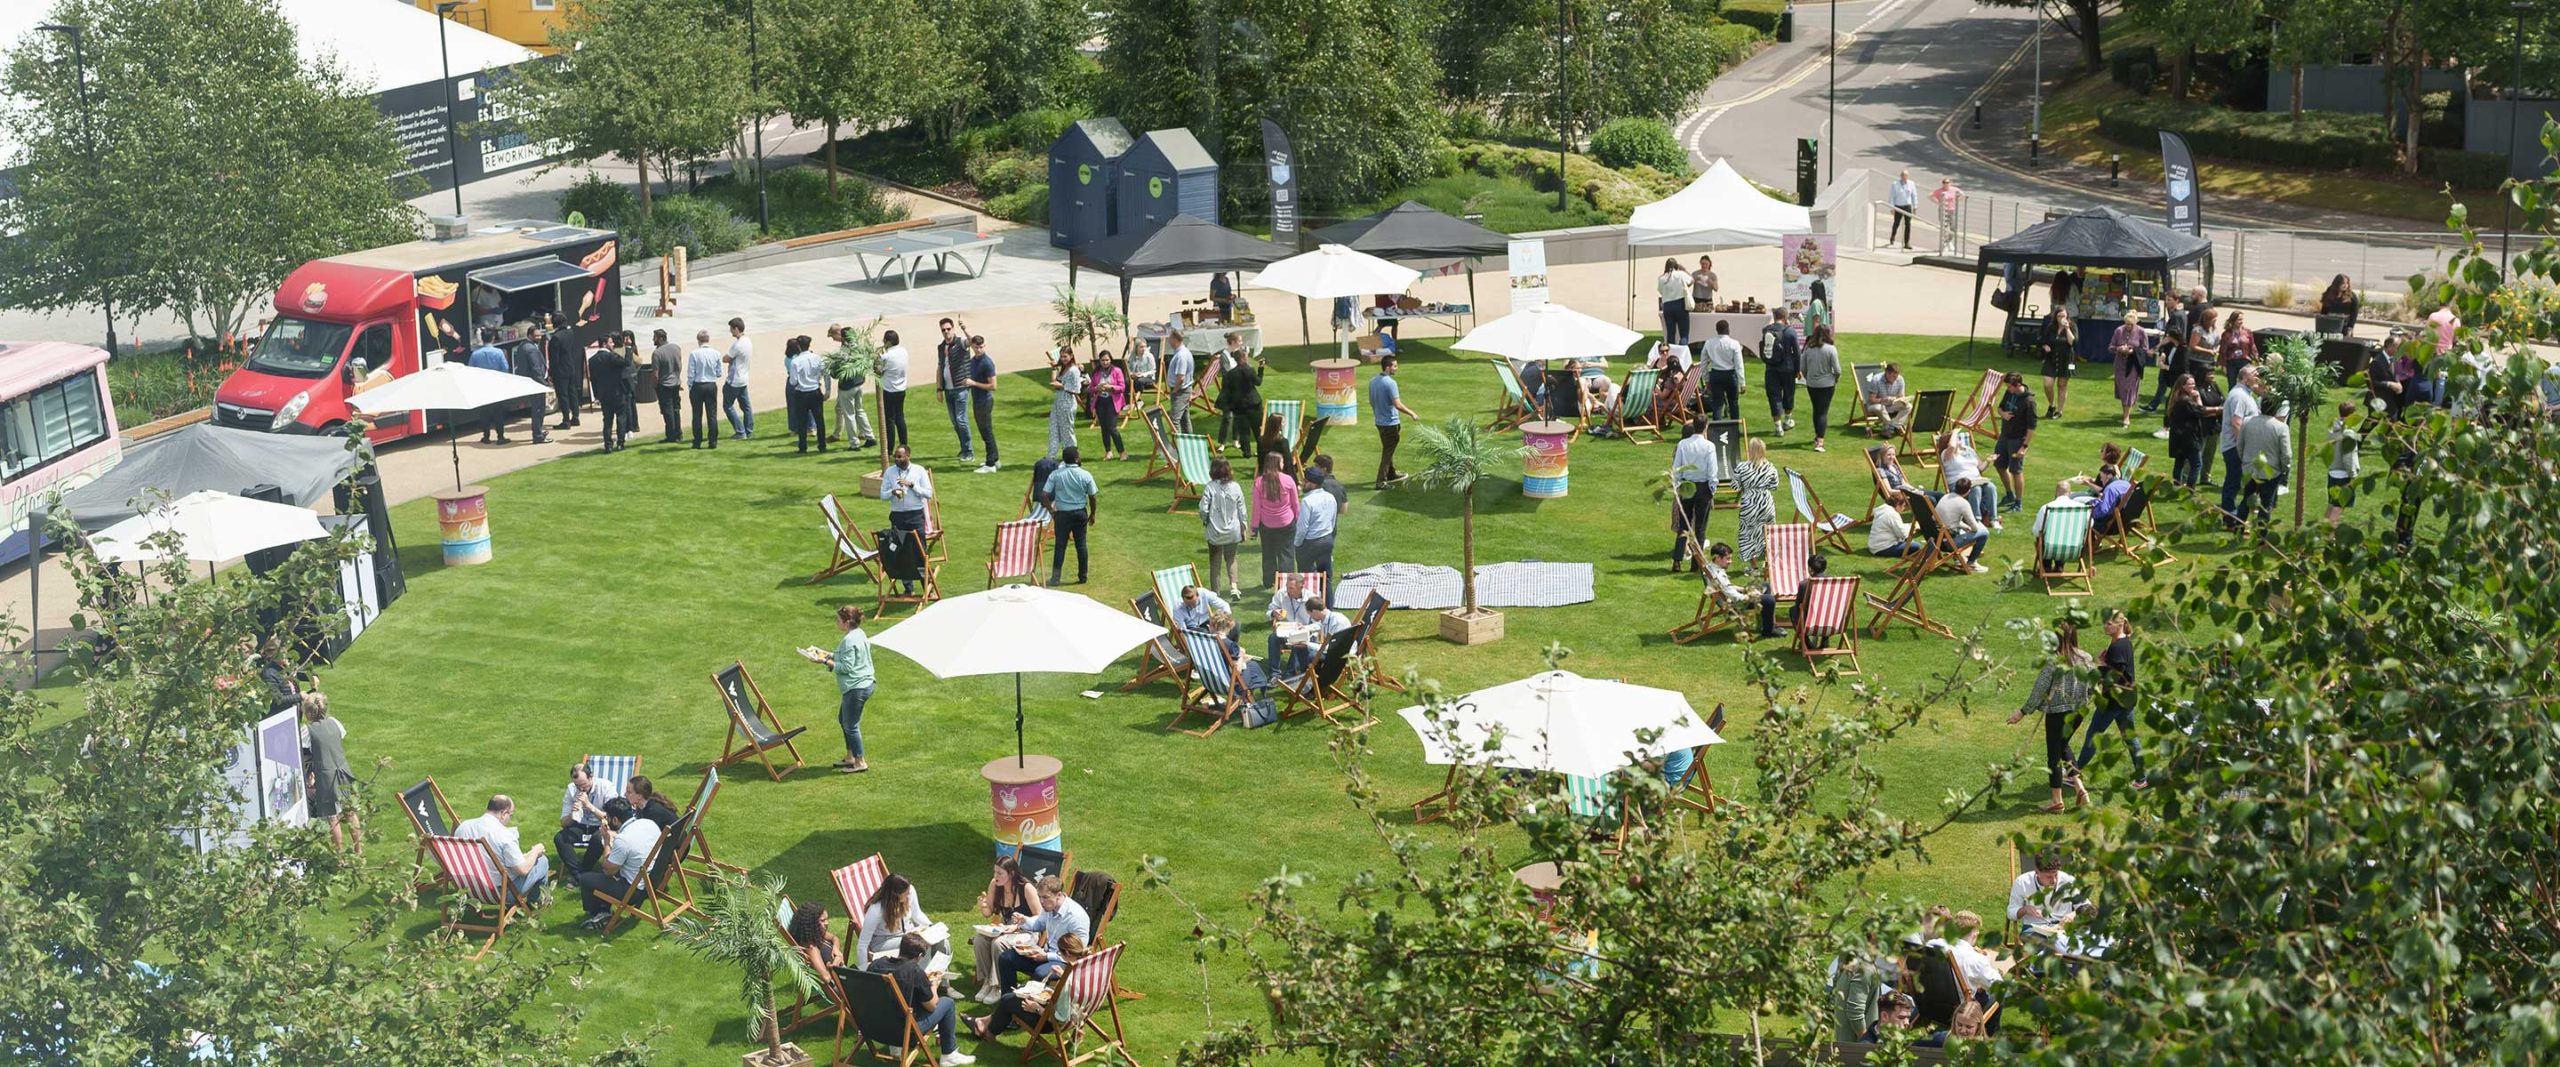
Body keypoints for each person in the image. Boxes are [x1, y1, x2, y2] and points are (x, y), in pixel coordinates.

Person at [2007, 622, 2096, 813]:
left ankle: (2057, 801)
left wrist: (2022, 712)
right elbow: (2092, 687)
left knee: (2054, 756)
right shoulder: (2086, 658)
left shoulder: (2053, 662)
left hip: (2057, 714)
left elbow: (2039, 690)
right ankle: (2081, 790)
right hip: (2079, 713)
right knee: (2063, 746)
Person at [867, 933, 974, 1064]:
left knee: (898, 1004)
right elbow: (932, 1005)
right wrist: (934, 986)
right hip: (903, 1033)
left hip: (873, 1027)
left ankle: (895, 1049)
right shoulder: (914, 971)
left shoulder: (876, 965)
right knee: (947, 1003)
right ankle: (949, 1054)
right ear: (919, 956)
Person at [2077, 609, 2145, 789]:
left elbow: (2112, 677)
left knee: (2093, 736)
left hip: (2113, 701)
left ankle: (2073, 774)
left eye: (2109, 623)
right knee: (2130, 738)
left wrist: (2097, 670)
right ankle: (2142, 779)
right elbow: (2119, 670)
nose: (2105, 626)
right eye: (2105, 623)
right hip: (2128, 698)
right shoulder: (2124, 642)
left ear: (2120, 624)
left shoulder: (2117, 646)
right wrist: (2105, 663)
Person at [991, 875, 1088, 990]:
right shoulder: (1049, 907)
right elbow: (1038, 924)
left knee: (1040, 973)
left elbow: (1077, 953)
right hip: (1044, 953)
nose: (1041, 902)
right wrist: (1024, 921)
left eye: (1045, 897)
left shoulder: (1076, 917)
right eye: (1040, 897)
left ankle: (1031, 1005)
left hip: (1064, 961)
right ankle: (1007, 999)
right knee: (1006, 958)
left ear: (1059, 895)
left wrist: (1047, 956)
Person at [576, 797, 661, 929]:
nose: (606, 820)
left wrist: (606, 842)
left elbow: (608, 870)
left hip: (633, 891)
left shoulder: (624, 839)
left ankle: (598, 913)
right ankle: (604, 909)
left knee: (586, 879)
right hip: (652, 881)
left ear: (615, 820)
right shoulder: (648, 823)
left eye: (608, 817)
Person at [809, 605, 874, 774]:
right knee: (843, 719)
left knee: (850, 724)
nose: (836, 622)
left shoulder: (849, 640)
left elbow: (846, 667)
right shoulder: (859, 633)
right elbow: (846, 656)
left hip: (856, 687)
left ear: (846, 623)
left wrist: (823, 661)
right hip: (864, 683)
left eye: (838, 620)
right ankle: (850, 756)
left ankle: (860, 762)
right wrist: (826, 654)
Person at [457, 794, 550, 906]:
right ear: (503, 813)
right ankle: (535, 902)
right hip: (502, 894)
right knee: (542, 861)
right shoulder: (504, 835)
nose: (510, 818)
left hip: (470, 890)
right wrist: (535, 852)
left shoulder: (463, 827)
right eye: (511, 815)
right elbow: (522, 870)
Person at [970, 857, 1039, 1002]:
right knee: (979, 940)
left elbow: (1040, 917)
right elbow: (988, 913)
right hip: (1005, 929)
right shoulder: (995, 885)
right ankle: (987, 982)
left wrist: (1017, 926)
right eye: (995, 872)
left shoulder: (1026, 888)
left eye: (1000, 873)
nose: (996, 876)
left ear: (1012, 873)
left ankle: (999, 985)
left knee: (998, 943)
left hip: (1028, 932)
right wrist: (982, 905)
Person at [300, 693, 360, 852]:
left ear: (308, 712)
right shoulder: (335, 723)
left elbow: (301, 749)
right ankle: (358, 850)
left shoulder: (307, 731)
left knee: (332, 816)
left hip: (326, 774)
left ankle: (338, 856)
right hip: (343, 770)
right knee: (350, 811)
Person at [1045, 447, 1099, 585]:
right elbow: (1092, 497)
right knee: (1081, 545)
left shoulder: (1056, 475)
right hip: (1080, 513)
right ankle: (1083, 577)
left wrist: (1052, 512)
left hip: (1062, 515)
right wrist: (1092, 514)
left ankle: (1055, 578)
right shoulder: (1085, 475)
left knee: (1060, 546)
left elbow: (1044, 495)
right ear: (1076, 459)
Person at [1671, 417, 1720, 567]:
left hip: (1687, 486)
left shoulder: (1683, 444)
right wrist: (1713, 488)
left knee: (1683, 525)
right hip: (1703, 486)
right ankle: (1695, 563)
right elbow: (1712, 470)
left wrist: (1678, 484)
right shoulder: (1709, 446)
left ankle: (1677, 560)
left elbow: (1677, 467)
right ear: (1705, 427)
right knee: (1700, 527)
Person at [552, 760, 616, 874]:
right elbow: (563, 823)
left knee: (598, 839)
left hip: (600, 825)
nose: (581, 789)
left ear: (591, 777)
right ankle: (579, 874)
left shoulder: (606, 787)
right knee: (560, 838)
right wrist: (572, 814)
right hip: (580, 824)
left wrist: (589, 806)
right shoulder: (571, 789)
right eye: (577, 785)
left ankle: (581, 872)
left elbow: (612, 818)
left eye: (584, 785)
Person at [856, 872, 935, 962]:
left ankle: (940, 974)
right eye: (906, 893)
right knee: (919, 945)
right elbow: (862, 944)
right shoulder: (876, 911)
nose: (909, 895)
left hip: (908, 933)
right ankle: (922, 974)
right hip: (883, 941)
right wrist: (864, 970)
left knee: (939, 941)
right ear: (895, 895)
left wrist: (931, 926)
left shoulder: (910, 890)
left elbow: (917, 914)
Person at [2218, 364, 2262, 524]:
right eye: (2255, 374)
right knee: (2233, 482)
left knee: (2238, 482)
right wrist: (2242, 448)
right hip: (2234, 447)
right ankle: (2230, 518)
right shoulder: (2239, 395)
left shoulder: (2246, 394)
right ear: (2245, 377)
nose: (2258, 376)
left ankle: (2234, 516)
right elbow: (2236, 423)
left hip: (2240, 447)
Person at [2237, 401, 2291, 526]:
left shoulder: (2246, 422)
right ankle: (2261, 537)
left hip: (2249, 469)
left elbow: (2240, 445)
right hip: (2271, 471)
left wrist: (2244, 461)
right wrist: (2284, 468)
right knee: (2266, 504)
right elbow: (2286, 454)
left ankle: (2238, 528)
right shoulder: (2281, 427)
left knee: (2246, 499)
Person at [1251, 452, 1300, 587]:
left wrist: (1254, 527)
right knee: (1287, 553)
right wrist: (1298, 519)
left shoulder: (1259, 482)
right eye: (1282, 462)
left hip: (1267, 524)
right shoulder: (1288, 480)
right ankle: (1288, 583)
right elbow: (1295, 504)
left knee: (1268, 553)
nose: (1283, 464)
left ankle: (1268, 581)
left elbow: (1256, 508)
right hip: (1286, 522)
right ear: (1277, 464)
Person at [1201, 457, 1247, 598]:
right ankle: (1234, 587)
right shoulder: (1236, 486)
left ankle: (1216, 593)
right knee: (1231, 559)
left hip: (1215, 532)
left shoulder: (1210, 487)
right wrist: (1243, 527)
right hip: (1233, 531)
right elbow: (1242, 510)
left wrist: (1206, 520)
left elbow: (1203, 509)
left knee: (1215, 562)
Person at [826, 324, 877, 450]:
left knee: (849, 415)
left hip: (847, 387)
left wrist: (833, 372)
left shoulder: (842, 353)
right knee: (860, 411)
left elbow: (835, 373)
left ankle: (854, 443)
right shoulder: (859, 348)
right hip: (859, 383)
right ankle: (870, 436)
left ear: (843, 338)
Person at [1371, 354, 1418, 488]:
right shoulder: (1391, 383)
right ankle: (1380, 481)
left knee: (1388, 449)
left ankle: (1391, 473)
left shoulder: (1373, 381)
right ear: (1387, 367)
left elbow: (1372, 401)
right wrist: (1411, 413)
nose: (1396, 369)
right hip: (1390, 423)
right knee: (1387, 452)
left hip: (1379, 422)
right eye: (1395, 366)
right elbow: (1397, 404)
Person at [1993, 373, 2037, 514]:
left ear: (2018, 385)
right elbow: (1999, 408)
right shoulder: (2009, 392)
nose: (2007, 389)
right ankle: (2009, 495)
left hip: (2017, 440)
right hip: (2004, 436)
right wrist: (2003, 414)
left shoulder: (2029, 401)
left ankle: (2018, 503)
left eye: (2009, 386)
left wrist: (2024, 447)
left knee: (2016, 471)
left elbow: (2032, 427)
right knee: (1999, 465)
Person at [1731, 438, 1779, 563]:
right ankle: (1768, 564)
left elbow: (1735, 486)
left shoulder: (1742, 467)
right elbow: (1774, 486)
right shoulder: (1770, 467)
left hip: (1750, 504)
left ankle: (1753, 566)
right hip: (1766, 502)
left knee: (1749, 534)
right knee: (1768, 533)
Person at [1218, 337, 1265, 459]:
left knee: (1244, 431)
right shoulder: (1249, 370)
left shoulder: (1230, 374)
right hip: (1253, 403)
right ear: (1243, 358)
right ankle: (1261, 451)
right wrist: (1261, 369)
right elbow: (1258, 382)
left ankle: (1247, 452)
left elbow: (1226, 389)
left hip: (1239, 405)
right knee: (1258, 429)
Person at [1936, 431, 1997, 526]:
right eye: (1956, 439)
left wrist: (1988, 461)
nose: (1959, 440)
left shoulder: (1969, 450)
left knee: (1991, 487)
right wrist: (1954, 432)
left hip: (1977, 480)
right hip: (1960, 484)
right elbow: (1952, 446)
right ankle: (1976, 519)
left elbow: (1980, 468)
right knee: (1975, 489)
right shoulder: (1946, 454)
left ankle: (1993, 518)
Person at [2142, 294, 2187, 415]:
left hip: (2173, 352)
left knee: (2169, 381)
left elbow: (2170, 336)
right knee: (2165, 381)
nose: (2166, 302)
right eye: (2166, 300)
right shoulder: (2180, 314)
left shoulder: (2176, 316)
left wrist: (2156, 348)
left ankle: (2163, 406)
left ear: (2177, 300)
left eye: (2169, 300)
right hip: (2174, 350)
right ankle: (2155, 405)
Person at [2007, 854, 2079, 931]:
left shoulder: (2068, 880)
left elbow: (2087, 907)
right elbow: (2011, 913)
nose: (2054, 880)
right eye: (2049, 877)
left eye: (2056, 875)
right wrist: (2025, 909)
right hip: (2034, 927)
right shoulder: (2022, 882)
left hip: (2062, 927)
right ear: (2037, 872)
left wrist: (2073, 914)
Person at [783, 335, 829, 454]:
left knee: (802, 421)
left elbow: (793, 381)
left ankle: (803, 447)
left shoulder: (795, 361)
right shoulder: (817, 358)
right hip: (815, 391)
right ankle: (822, 445)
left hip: (802, 393)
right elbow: (826, 374)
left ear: (798, 346)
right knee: (819, 420)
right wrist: (827, 390)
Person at [1933, 479, 1992, 572]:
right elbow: (1975, 528)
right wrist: (1970, 527)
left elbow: (1942, 519)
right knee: (1984, 533)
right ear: (1968, 491)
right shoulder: (1963, 503)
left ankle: (1957, 559)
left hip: (1935, 539)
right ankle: (1971, 563)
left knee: (1962, 529)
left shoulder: (1945, 497)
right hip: (1948, 543)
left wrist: (1964, 526)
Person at [508, 326, 552, 444]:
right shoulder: (531, 349)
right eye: (536, 335)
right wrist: (543, 384)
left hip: (529, 382)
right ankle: (538, 435)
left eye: (539, 335)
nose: (539, 337)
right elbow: (536, 369)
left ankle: (538, 432)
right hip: (536, 383)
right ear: (530, 335)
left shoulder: (522, 346)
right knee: (538, 410)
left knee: (536, 409)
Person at [1292, 474, 1338, 587]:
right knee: (1326, 579)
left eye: (1305, 481)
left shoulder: (1307, 501)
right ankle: (1328, 604)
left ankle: (1309, 602)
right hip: (1327, 540)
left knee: (1306, 579)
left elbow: (1302, 528)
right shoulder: (1330, 497)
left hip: (1310, 543)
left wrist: (1297, 544)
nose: (1302, 483)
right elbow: (1332, 520)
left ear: (1313, 484)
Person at [2166, 374, 2213, 487]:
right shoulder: (2186, 401)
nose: (2193, 386)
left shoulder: (2176, 398)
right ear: (2182, 386)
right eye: (2190, 384)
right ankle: (2190, 489)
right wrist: (2198, 398)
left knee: (2179, 463)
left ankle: (2176, 487)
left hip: (2178, 437)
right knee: (2196, 464)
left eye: (2193, 384)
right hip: (2188, 438)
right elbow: (2200, 411)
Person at [1801, 324, 1841, 452]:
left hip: (1812, 384)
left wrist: (1808, 378)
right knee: (1823, 412)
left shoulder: (1808, 349)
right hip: (1827, 384)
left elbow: (1802, 368)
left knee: (1816, 410)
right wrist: (1835, 378)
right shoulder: (1831, 349)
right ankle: (1820, 441)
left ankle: (1817, 435)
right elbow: (1837, 369)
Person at [584, 333, 628, 450]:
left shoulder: (592, 360)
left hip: (603, 394)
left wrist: (597, 395)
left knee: (607, 420)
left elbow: (593, 379)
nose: (613, 344)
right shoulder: (612, 357)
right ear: (604, 344)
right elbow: (625, 363)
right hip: (617, 392)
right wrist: (627, 348)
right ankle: (620, 443)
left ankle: (608, 445)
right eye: (610, 342)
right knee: (621, 418)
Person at [964, 334, 1000, 471]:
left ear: (984, 346)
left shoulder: (987, 363)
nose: (979, 349)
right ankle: (994, 458)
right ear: (972, 347)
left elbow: (993, 386)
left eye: (981, 347)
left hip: (984, 401)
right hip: (977, 400)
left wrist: (973, 383)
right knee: (985, 431)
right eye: (976, 347)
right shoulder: (974, 360)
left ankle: (990, 464)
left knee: (986, 431)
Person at [1762, 309, 1801, 433]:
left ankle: (1778, 427)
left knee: (1774, 396)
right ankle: (1787, 420)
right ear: (1785, 317)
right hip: (1788, 368)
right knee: (1789, 394)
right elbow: (1797, 352)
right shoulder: (1790, 331)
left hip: (1771, 368)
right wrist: (1798, 369)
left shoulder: (1766, 330)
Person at [2324, 400, 2363, 523]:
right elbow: (2348, 457)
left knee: (2331, 504)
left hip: (2332, 471)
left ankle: (2322, 530)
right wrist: (2353, 475)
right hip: (2343, 474)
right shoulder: (2349, 434)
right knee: (2338, 508)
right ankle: (2329, 536)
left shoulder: (2332, 428)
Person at [685, 329, 723, 449]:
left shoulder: (694, 354)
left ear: (698, 340)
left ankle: (697, 441)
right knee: (712, 414)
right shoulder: (716, 353)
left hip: (698, 384)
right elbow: (719, 373)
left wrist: (690, 386)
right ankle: (713, 441)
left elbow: (691, 373)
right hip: (711, 384)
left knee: (697, 414)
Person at [546, 316, 586, 429]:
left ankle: (566, 420)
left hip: (560, 369)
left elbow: (554, 358)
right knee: (572, 392)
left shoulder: (556, 338)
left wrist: (551, 372)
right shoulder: (570, 333)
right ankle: (575, 416)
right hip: (570, 366)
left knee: (563, 395)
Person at [2108, 310, 2146, 429]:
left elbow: (2145, 349)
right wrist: (2119, 349)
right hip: (2120, 364)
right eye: (2127, 324)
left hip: (2133, 365)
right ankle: (2125, 411)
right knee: (2122, 390)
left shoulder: (2141, 332)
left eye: (2131, 324)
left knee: (2129, 389)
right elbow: (2110, 347)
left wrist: (2133, 351)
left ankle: (2126, 417)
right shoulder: (2119, 331)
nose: (2128, 327)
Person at [2037, 307, 2076, 420]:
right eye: (2059, 316)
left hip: (2066, 359)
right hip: (2051, 359)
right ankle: (2052, 405)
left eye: (2064, 316)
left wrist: (2067, 328)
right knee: (2047, 384)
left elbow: (2073, 342)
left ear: (2067, 317)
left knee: (2062, 385)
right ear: (2056, 317)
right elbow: (2041, 339)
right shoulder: (2051, 327)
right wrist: (2045, 345)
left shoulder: (2072, 326)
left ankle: (2060, 411)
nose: (2062, 318)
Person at [1701, 319, 1744, 422]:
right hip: (1730, 375)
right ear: (1728, 329)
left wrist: (1706, 379)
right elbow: (1739, 364)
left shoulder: (1709, 343)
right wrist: (1742, 382)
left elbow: (1703, 363)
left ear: (1717, 330)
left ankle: (1717, 430)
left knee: (1717, 404)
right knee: (1733, 403)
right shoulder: (1734, 343)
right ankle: (1734, 428)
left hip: (1715, 374)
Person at [1089, 352, 1129, 462]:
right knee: (1104, 428)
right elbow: (1091, 388)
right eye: (1102, 360)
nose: (1105, 362)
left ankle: (1122, 452)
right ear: (1099, 361)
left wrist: (1111, 387)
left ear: (1110, 360)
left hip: (1113, 401)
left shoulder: (1117, 371)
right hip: (1100, 401)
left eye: (1107, 360)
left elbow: (1122, 387)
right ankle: (1108, 451)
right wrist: (1097, 388)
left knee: (1112, 427)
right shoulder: (1097, 372)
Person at [878, 329, 912, 457]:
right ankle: (904, 444)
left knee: (890, 420)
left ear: (888, 342)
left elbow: (879, 370)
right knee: (900, 417)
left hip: (889, 390)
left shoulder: (887, 356)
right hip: (901, 389)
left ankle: (889, 449)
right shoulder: (903, 351)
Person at [720, 317, 755, 440]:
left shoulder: (737, 345)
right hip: (744, 378)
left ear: (736, 329)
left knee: (728, 406)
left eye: (731, 329)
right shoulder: (748, 341)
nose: (730, 331)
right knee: (746, 406)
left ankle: (740, 431)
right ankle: (749, 430)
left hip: (734, 380)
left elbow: (726, 358)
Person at [650, 329, 684, 443]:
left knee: (667, 411)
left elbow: (655, 374)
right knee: (676, 409)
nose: (653, 339)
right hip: (675, 383)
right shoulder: (676, 348)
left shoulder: (657, 353)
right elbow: (679, 365)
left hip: (664, 385)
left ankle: (671, 435)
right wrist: (678, 378)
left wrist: (655, 385)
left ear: (660, 338)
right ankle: (678, 434)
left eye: (654, 337)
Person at [1163, 329, 1196, 435]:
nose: (1169, 341)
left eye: (1170, 338)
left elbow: (1180, 377)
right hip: (1183, 390)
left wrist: (1175, 391)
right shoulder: (1183, 352)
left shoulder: (1181, 355)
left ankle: (1178, 448)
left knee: (1174, 421)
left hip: (1181, 391)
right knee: (1184, 420)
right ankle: (1189, 444)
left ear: (1175, 339)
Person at [1868, 490, 1919, 557]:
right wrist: (1913, 527)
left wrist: (1909, 526)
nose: (1903, 509)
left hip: (1874, 545)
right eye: (1903, 505)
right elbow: (1903, 534)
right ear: (1898, 504)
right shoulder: (1892, 514)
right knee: (1916, 546)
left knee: (1911, 543)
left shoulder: (1883, 509)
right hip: (1883, 548)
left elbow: (1896, 527)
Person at [1863, 363, 1911, 433]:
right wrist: (1883, 399)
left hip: (1891, 405)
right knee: (1879, 407)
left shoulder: (1900, 379)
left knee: (1909, 406)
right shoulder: (1876, 380)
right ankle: (1892, 426)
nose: (1895, 379)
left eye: (1896, 377)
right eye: (1893, 377)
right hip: (1876, 405)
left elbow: (1901, 397)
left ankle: (1893, 426)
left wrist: (1899, 400)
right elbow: (1871, 400)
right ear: (1887, 373)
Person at [1655, 258, 1693, 345]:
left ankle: (1671, 354)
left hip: (1667, 305)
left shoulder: (1662, 278)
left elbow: (1661, 291)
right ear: (1676, 266)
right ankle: (1682, 352)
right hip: (1680, 304)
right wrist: (1684, 270)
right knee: (1684, 333)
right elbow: (1691, 280)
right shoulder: (1681, 274)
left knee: (1670, 333)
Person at [2219, 310, 2258, 389]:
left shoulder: (2247, 331)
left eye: (2242, 319)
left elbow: (2252, 345)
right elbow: (2223, 350)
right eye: (2239, 320)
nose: (2241, 322)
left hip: (2244, 360)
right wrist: (2223, 365)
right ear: (2233, 320)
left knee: (2247, 383)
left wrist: (2256, 357)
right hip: (2231, 362)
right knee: (2232, 384)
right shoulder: (2227, 334)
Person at [1929, 177, 1964, 252]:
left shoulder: (1954, 189)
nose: (1946, 184)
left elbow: (1962, 194)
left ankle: (1949, 241)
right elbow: (1930, 196)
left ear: (1950, 183)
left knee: (1953, 228)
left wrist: (1957, 199)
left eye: (1947, 182)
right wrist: (1938, 203)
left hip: (1952, 210)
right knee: (1944, 228)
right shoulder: (1940, 191)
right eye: (1944, 182)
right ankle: (1944, 244)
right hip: (1943, 210)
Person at [1886, 169, 1919, 248]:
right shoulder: (1895, 184)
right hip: (1898, 205)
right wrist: (1892, 207)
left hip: (1907, 206)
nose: (1905, 177)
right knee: (1896, 223)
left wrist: (1915, 207)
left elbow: (1914, 195)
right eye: (1903, 175)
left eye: (1906, 176)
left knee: (1908, 224)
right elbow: (1892, 196)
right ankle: (1893, 236)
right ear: (1901, 176)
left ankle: (1906, 242)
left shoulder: (1911, 184)